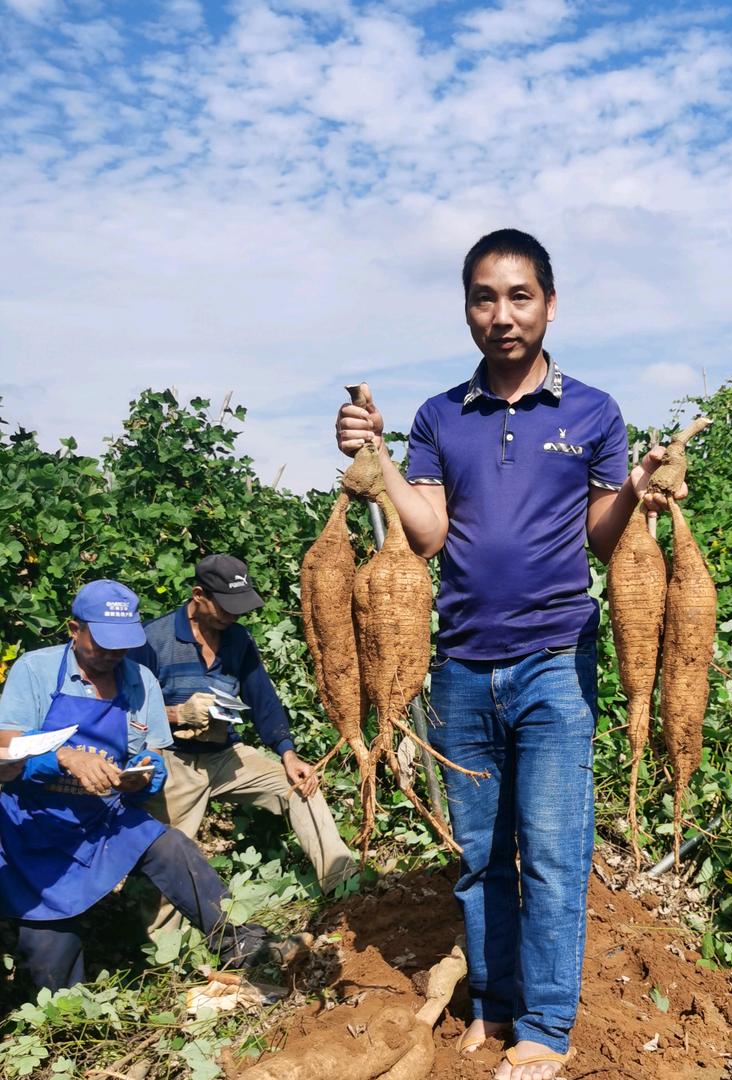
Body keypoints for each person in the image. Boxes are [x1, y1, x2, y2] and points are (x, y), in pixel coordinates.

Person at [335, 228, 682, 1080]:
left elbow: (603, 538)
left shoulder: (593, 412)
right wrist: (377, 461)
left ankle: (547, 1026)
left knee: (554, 852)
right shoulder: (439, 416)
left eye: (519, 296)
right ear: (467, 310)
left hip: (555, 661)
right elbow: (427, 533)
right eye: (484, 298)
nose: (503, 315)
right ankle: (492, 1000)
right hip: (459, 665)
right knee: (480, 856)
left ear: (549, 304)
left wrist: (634, 492)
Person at [0, 580, 273, 991]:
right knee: (50, 970)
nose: (113, 655)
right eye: (102, 644)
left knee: (171, 848)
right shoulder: (35, 670)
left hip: (103, 820)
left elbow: (153, 755)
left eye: (122, 645)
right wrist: (63, 757)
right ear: (74, 630)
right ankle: (65, 1016)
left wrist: (144, 775)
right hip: (35, 827)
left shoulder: (140, 680)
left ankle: (242, 943)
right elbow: (5, 748)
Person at [130, 554, 354, 934]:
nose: (233, 615)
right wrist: (177, 714)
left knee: (300, 787)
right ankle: (163, 948)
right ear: (198, 595)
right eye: (225, 607)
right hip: (173, 761)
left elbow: (263, 699)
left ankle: (346, 888)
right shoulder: (153, 640)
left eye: (239, 607)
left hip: (225, 755)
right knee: (168, 849)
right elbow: (127, 712)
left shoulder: (238, 638)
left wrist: (287, 753)